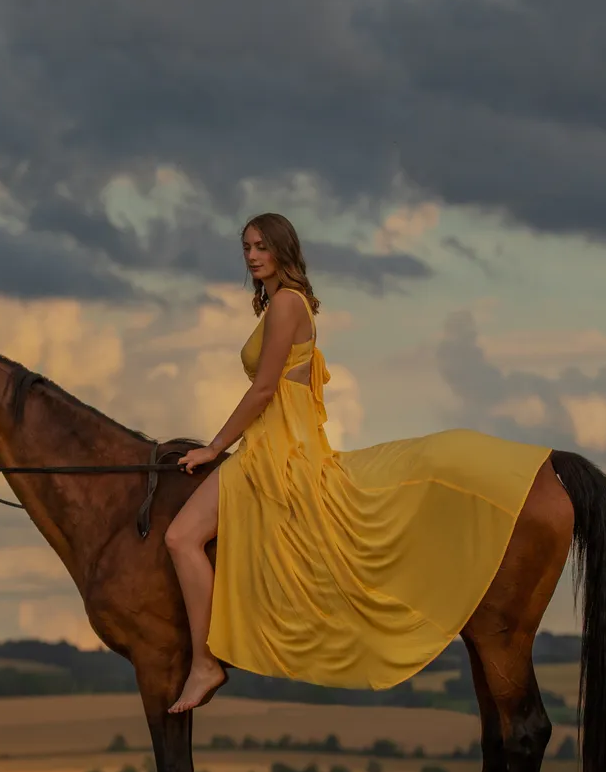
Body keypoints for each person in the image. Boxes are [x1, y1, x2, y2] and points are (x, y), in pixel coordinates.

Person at [165, 213, 553, 713]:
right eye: (246, 248)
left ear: (283, 248)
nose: (253, 256)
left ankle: (205, 663)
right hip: (273, 444)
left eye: (261, 246)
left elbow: (264, 389)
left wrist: (213, 448)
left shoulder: (285, 304)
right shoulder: (286, 304)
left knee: (179, 537)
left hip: (275, 452)